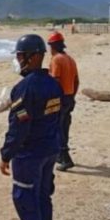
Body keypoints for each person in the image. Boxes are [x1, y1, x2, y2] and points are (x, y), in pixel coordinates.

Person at [0, 34, 64, 220]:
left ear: (33, 57)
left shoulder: (25, 88)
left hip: (30, 155)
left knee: (26, 200)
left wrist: (6, 155)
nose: (18, 61)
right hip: (50, 149)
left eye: (20, 56)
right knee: (43, 196)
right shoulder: (53, 84)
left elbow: (19, 127)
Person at [47, 31, 79, 171]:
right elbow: (76, 81)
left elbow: (55, 81)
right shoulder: (70, 59)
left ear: (52, 46)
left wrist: (52, 98)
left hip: (60, 97)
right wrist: (72, 95)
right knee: (64, 127)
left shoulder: (56, 59)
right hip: (69, 96)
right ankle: (60, 155)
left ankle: (65, 159)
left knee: (57, 128)